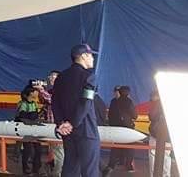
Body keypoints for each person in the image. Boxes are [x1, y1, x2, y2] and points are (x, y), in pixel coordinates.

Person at [51, 44, 101, 177]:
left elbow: (55, 103)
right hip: (86, 131)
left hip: (67, 133)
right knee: (90, 171)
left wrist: (61, 123)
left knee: (70, 168)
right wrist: (73, 123)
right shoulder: (89, 77)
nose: (92, 58)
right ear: (83, 56)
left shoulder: (61, 77)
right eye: (90, 55)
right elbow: (86, 102)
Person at [105, 86, 137, 174]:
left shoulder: (114, 101)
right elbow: (135, 116)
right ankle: (129, 165)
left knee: (115, 147)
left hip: (116, 128)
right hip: (127, 128)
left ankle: (111, 165)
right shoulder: (129, 101)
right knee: (130, 147)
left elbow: (110, 115)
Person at [16, 85, 45, 175]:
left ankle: (36, 169)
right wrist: (33, 115)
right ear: (30, 93)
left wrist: (41, 113)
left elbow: (35, 115)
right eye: (35, 91)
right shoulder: (23, 104)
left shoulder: (34, 103)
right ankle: (26, 168)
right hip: (25, 130)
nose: (37, 93)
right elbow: (22, 116)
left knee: (38, 149)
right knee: (28, 150)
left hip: (34, 129)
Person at [39, 71, 63, 175]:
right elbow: (45, 101)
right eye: (50, 77)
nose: (51, 79)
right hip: (51, 127)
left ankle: (58, 174)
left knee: (59, 153)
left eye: (53, 77)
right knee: (53, 152)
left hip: (59, 127)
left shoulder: (62, 91)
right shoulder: (52, 91)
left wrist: (41, 90)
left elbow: (51, 100)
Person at [147, 90, 172, 177]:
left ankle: (154, 175)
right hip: (168, 135)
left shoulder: (157, 104)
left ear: (156, 96)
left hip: (156, 134)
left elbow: (152, 116)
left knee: (153, 154)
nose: (151, 99)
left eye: (152, 97)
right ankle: (166, 175)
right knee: (166, 156)